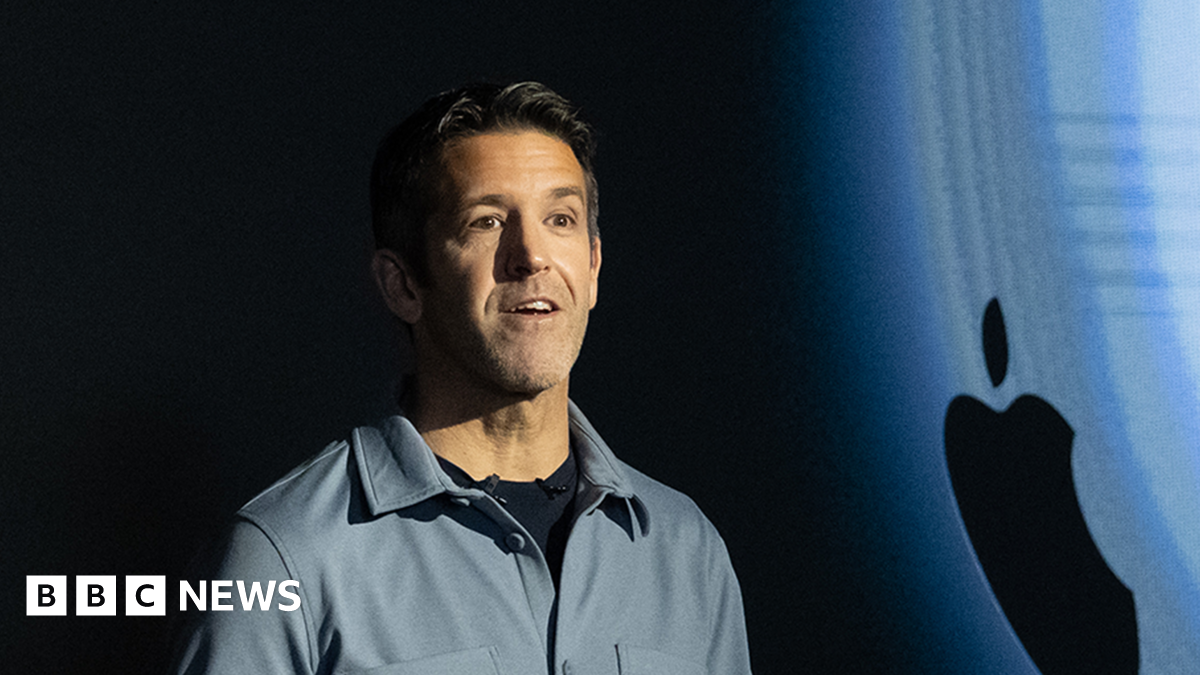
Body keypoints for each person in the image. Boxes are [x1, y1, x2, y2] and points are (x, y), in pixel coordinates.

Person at [168, 81, 752, 675]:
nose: (531, 255)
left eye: (560, 218)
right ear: (403, 284)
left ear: (594, 265)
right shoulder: (287, 556)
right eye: (487, 221)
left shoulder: (686, 553)